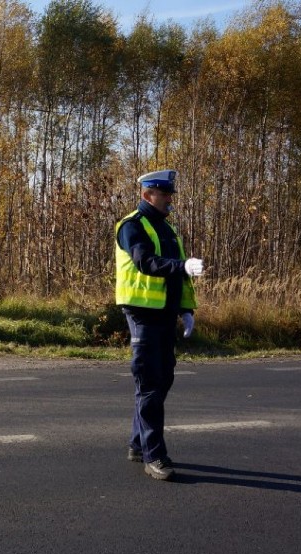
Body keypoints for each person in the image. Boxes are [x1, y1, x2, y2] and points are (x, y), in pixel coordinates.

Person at [115, 169, 204, 481]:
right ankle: (155, 456)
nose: (169, 199)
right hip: (142, 314)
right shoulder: (132, 226)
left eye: (170, 194)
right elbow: (145, 262)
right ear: (147, 195)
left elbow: (178, 275)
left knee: (162, 380)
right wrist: (182, 265)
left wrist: (186, 309)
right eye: (164, 194)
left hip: (165, 314)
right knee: (150, 384)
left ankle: (138, 443)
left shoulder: (168, 230)